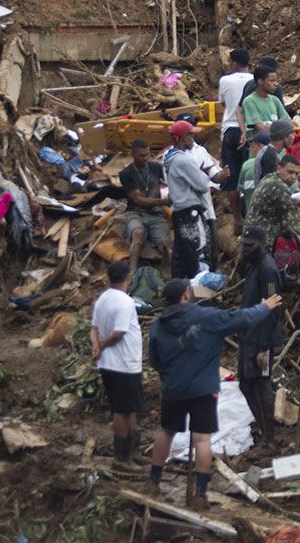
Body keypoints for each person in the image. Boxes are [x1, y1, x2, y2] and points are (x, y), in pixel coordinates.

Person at [148, 278, 282, 506]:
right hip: (202, 389)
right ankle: (201, 493)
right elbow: (241, 319)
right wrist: (265, 307)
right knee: (202, 439)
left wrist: (171, 376)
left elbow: (155, 361)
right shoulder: (206, 317)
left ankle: (153, 482)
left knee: (167, 431)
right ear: (185, 296)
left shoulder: (158, 326)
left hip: (174, 389)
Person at [91, 260, 143, 466]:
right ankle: (122, 456)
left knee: (131, 406)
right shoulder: (125, 301)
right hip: (123, 364)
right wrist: (102, 345)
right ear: (128, 278)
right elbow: (119, 333)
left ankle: (132, 450)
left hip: (110, 364)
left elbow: (93, 327)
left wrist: (95, 346)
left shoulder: (102, 299)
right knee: (122, 409)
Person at [236, 227, 281, 447]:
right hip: (247, 334)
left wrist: (265, 346)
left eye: (250, 245)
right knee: (245, 384)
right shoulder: (252, 264)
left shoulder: (268, 269)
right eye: (244, 244)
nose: (245, 249)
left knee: (262, 384)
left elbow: (273, 308)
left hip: (260, 339)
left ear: (262, 244)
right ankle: (263, 429)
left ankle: (269, 437)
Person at [164, 121, 215, 279]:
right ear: (183, 137)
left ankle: (177, 294)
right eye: (191, 134)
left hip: (179, 213)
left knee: (180, 256)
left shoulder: (170, 158)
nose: (193, 137)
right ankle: (203, 295)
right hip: (190, 214)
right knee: (199, 253)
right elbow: (203, 184)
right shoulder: (183, 161)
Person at [249, 154, 300, 258]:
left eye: (296, 174)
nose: (294, 177)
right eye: (290, 172)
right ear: (279, 168)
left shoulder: (269, 178)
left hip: (251, 237)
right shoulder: (278, 186)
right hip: (263, 243)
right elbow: (293, 225)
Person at [119, 139, 170, 275]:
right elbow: (138, 200)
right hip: (135, 212)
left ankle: (168, 274)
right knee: (137, 233)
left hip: (156, 214)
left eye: (148, 154)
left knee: (164, 246)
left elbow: (172, 180)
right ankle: (132, 272)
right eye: (142, 156)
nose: (146, 158)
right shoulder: (126, 174)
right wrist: (163, 202)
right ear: (133, 154)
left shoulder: (156, 167)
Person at [218, 49, 253, 223]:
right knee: (249, 176)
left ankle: (238, 219)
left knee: (231, 176)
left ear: (235, 63)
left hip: (230, 130)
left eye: (229, 61)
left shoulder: (225, 80)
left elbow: (223, 103)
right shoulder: (256, 80)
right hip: (249, 131)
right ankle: (250, 215)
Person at [241, 65, 289, 136]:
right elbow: (260, 127)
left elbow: (288, 122)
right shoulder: (250, 101)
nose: (276, 84)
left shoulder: (275, 100)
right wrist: (281, 129)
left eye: (276, 80)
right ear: (260, 81)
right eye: (272, 81)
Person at [238, 129, 273, 212]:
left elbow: (241, 192)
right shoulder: (280, 163)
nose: (250, 149)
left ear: (260, 147)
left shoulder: (247, 165)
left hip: (251, 218)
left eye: (252, 146)